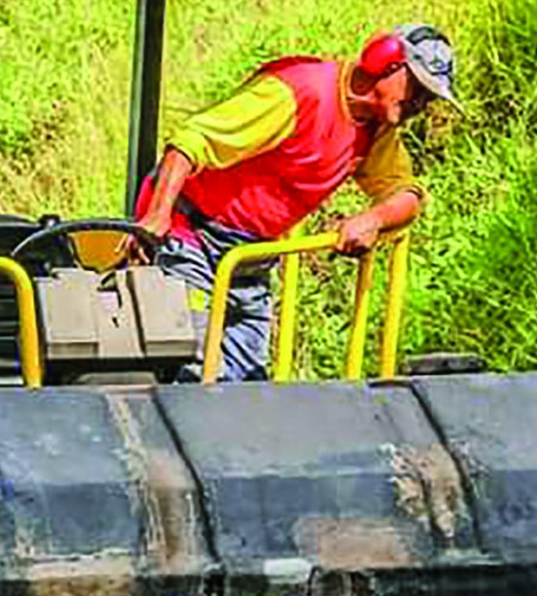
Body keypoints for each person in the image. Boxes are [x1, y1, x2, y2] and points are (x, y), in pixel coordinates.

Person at [134, 23, 457, 380]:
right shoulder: (298, 91)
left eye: (429, 98)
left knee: (244, 380)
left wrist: (374, 219)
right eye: (417, 89)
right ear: (385, 62)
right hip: (188, 232)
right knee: (192, 366)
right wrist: (157, 215)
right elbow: (190, 142)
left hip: (248, 254)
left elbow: (407, 195)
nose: (419, 105)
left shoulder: (376, 129)